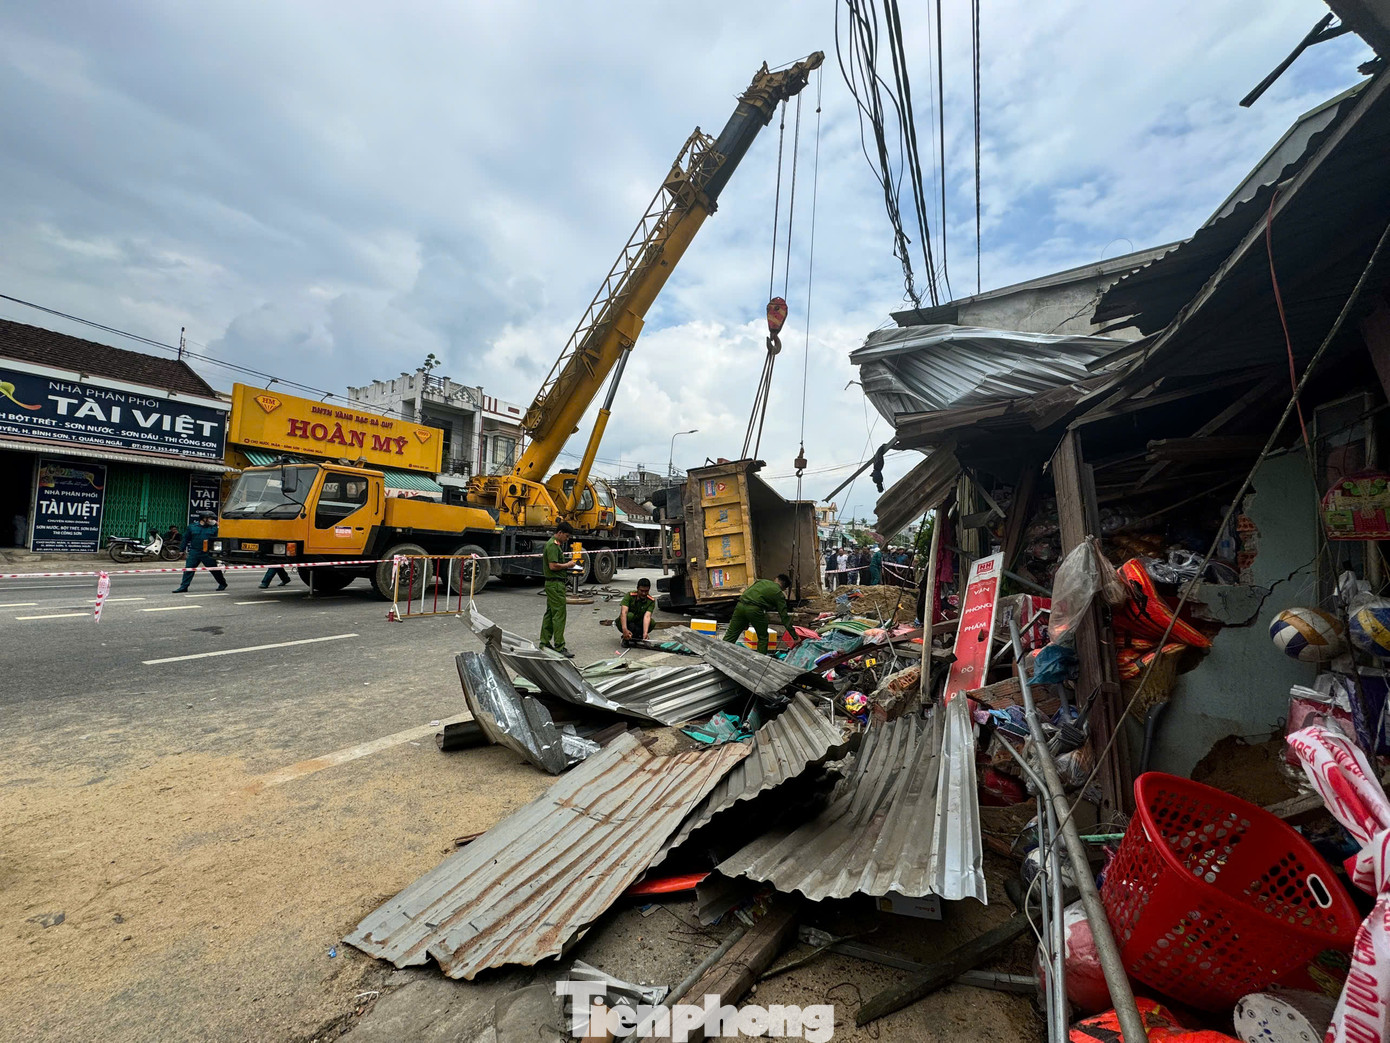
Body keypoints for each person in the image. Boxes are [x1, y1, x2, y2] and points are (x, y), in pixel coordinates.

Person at [723, 573, 797, 655]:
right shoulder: (778, 594)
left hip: (740, 606)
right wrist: (795, 636)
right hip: (755, 610)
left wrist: (745, 621)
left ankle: (720, 654)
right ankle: (760, 659)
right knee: (763, 637)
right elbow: (784, 617)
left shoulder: (761, 582)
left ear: (776, 579)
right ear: (784, 588)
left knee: (731, 634)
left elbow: (750, 593)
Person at [539, 520, 581, 658]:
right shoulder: (552, 545)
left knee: (550, 614)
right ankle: (559, 646)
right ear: (560, 533)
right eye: (566, 536)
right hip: (555, 584)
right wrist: (568, 565)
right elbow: (553, 566)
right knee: (559, 615)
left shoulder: (555, 545)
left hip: (553, 583)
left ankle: (544, 643)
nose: (567, 539)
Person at [173, 511, 227, 592]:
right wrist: (181, 550)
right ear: (204, 519)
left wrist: (219, 526)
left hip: (207, 553)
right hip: (194, 552)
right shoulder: (192, 527)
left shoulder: (214, 528)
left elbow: (221, 537)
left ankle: (222, 583)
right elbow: (186, 539)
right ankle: (184, 587)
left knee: (214, 569)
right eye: (210, 518)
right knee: (189, 569)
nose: (211, 520)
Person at [618, 577, 656, 644]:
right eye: (641, 591)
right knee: (629, 616)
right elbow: (624, 612)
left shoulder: (651, 601)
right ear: (637, 589)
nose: (644, 593)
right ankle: (626, 636)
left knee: (652, 623)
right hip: (626, 623)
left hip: (638, 623)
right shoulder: (629, 596)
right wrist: (624, 630)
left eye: (646, 591)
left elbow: (647, 617)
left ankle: (640, 636)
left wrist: (645, 633)